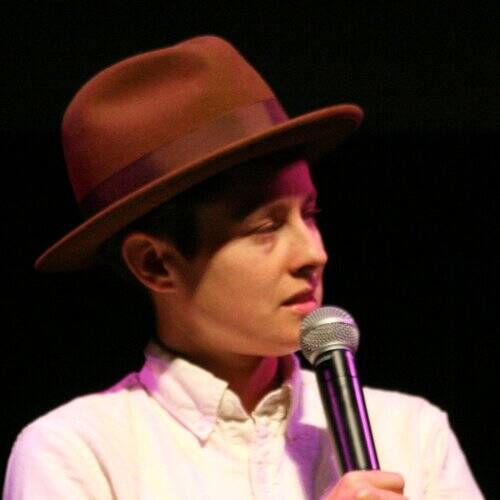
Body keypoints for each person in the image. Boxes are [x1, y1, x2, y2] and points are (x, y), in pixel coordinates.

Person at [3, 35, 482, 499]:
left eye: (309, 214)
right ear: (155, 264)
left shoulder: (411, 432)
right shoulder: (79, 452)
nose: (313, 254)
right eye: (265, 227)